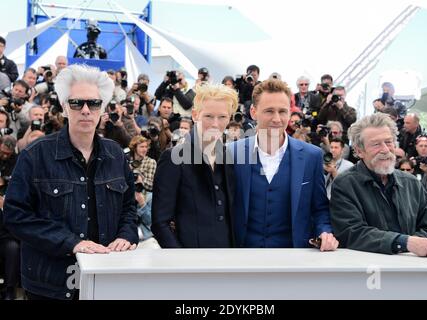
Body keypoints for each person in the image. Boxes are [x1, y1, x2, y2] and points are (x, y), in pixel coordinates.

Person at [3, 64, 138, 300]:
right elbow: (16, 216)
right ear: (65, 107)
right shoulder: (35, 155)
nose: (86, 110)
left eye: (94, 103)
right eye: (77, 103)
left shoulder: (115, 154)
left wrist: (126, 236)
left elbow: (128, 207)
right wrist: (72, 243)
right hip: (50, 284)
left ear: (102, 109)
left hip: (107, 280)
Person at [230, 79, 339, 250]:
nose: (277, 119)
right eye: (269, 111)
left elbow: (319, 209)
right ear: (253, 112)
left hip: (294, 260)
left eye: (282, 111)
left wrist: (325, 232)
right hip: (242, 257)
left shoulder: (312, 156)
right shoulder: (231, 153)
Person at [330, 113, 427, 257]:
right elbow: (351, 233)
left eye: (389, 142)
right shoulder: (345, 184)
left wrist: (414, 244)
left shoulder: (412, 183)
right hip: (366, 272)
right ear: (359, 151)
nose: (385, 149)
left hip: (412, 270)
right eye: (376, 144)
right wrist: (405, 242)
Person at [151, 84, 238, 248]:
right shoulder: (173, 158)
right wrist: (181, 261)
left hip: (228, 260)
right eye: (209, 116)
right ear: (195, 115)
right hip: (189, 263)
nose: (215, 124)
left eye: (222, 117)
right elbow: (160, 223)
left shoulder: (228, 156)